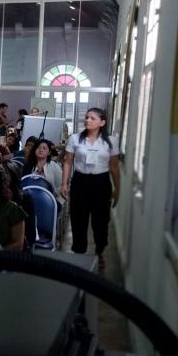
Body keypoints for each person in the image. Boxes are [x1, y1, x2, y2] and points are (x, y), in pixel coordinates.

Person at [60, 108, 120, 268]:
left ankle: (100, 251)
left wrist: (118, 189)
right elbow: (68, 162)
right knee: (78, 219)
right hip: (80, 181)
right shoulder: (75, 139)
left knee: (101, 220)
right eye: (87, 117)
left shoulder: (111, 141)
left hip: (101, 183)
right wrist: (64, 183)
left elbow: (114, 166)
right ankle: (79, 253)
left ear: (102, 122)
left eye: (93, 118)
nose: (88, 120)